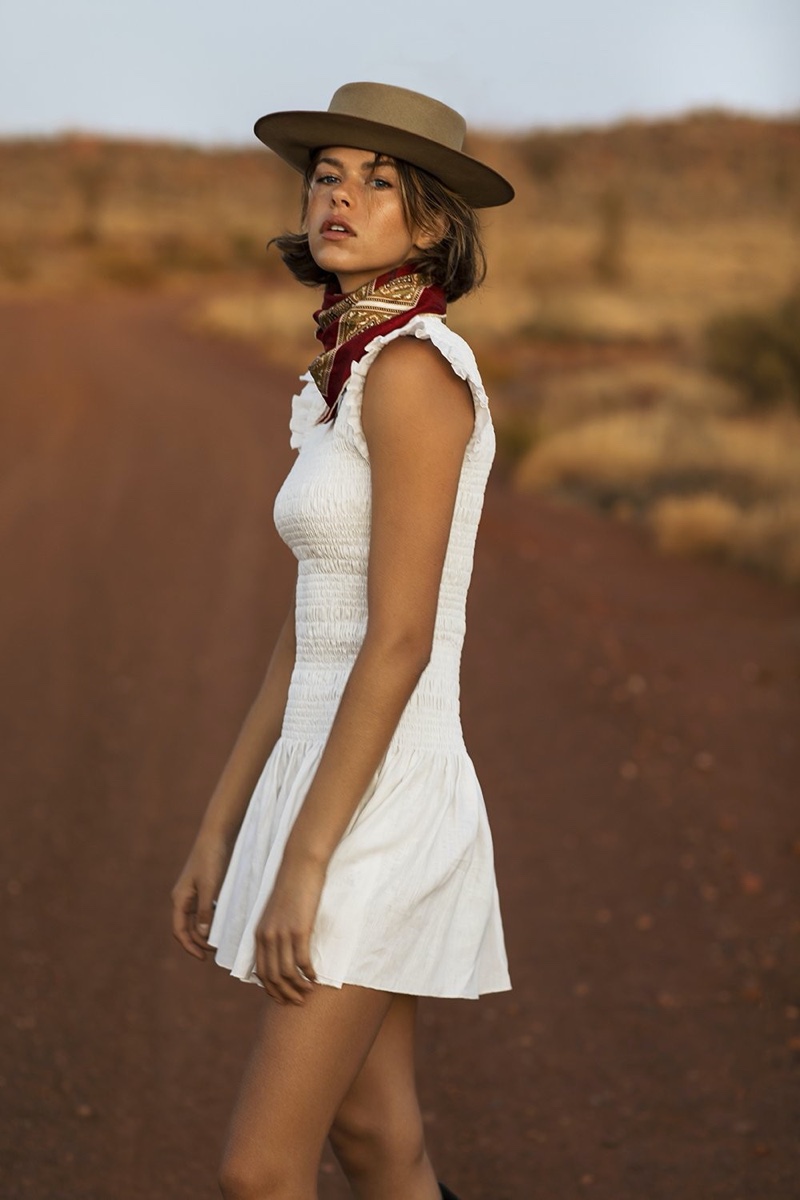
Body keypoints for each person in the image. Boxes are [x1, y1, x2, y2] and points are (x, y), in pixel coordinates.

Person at [171, 81, 514, 1200]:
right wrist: (221, 827)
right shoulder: (340, 379)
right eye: (328, 173)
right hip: (320, 775)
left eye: (380, 182)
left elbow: (399, 638)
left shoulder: (412, 373)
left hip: (378, 797)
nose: (342, 196)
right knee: (377, 1146)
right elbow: (308, 624)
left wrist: (309, 858)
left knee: (260, 1174)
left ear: (429, 224)